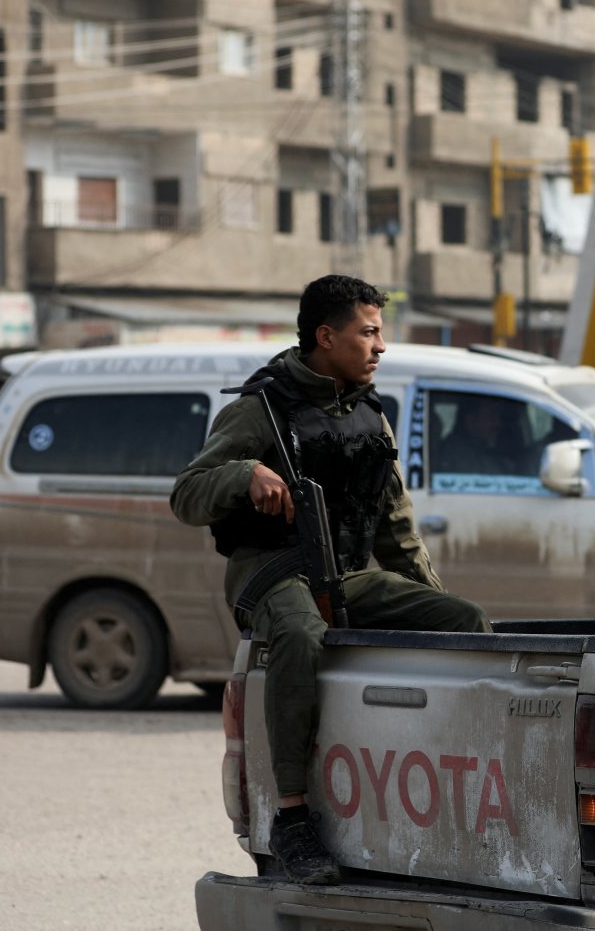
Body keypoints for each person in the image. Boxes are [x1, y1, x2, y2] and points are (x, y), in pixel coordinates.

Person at [170, 274, 490, 886]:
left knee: (466, 623)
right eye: (368, 332)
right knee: (298, 632)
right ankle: (292, 820)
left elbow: (396, 530)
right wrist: (246, 473)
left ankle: (458, 803)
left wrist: (433, 600)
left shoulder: (370, 415)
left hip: (345, 574)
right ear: (326, 336)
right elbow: (186, 494)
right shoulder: (258, 410)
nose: (380, 346)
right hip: (273, 571)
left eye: (379, 333)